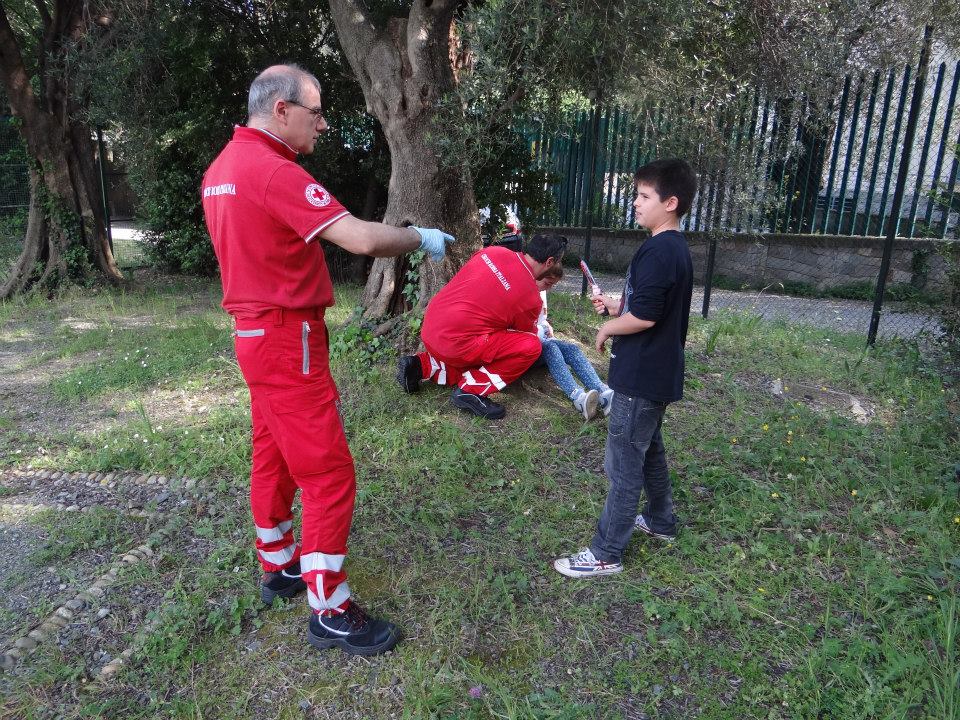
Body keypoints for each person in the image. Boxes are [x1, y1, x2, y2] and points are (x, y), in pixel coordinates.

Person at [201, 63, 454, 655]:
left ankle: (280, 562)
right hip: (290, 338)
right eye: (315, 112)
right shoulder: (272, 171)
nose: (323, 123)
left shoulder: (221, 169)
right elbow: (362, 239)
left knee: (273, 450)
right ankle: (330, 606)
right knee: (328, 472)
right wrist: (421, 237)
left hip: (254, 334)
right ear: (280, 110)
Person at [554, 158, 697, 578]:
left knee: (623, 465)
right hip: (657, 373)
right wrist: (619, 306)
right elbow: (652, 305)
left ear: (670, 202)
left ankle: (606, 552)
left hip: (640, 375)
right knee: (648, 448)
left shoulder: (658, 250)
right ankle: (660, 520)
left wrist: (609, 327)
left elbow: (648, 317)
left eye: (643, 196)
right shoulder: (674, 248)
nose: (635, 203)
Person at [396, 234, 567, 420]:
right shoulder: (531, 298)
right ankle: (471, 390)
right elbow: (521, 335)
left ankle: (420, 366)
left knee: (478, 342)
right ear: (550, 261)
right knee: (530, 346)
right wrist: (541, 331)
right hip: (455, 344)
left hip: (431, 325)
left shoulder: (494, 251)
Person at [535, 265, 614, 420]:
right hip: (527, 346)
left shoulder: (541, 290)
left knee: (572, 349)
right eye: (547, 283)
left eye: (553, 285)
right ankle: (578, 397)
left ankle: (603, 393)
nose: (549, 288)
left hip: (541, 339)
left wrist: (545, 325)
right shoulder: (520, 291)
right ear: (535, 276)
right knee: (551, 347)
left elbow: (541, 318)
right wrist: (540, 330)